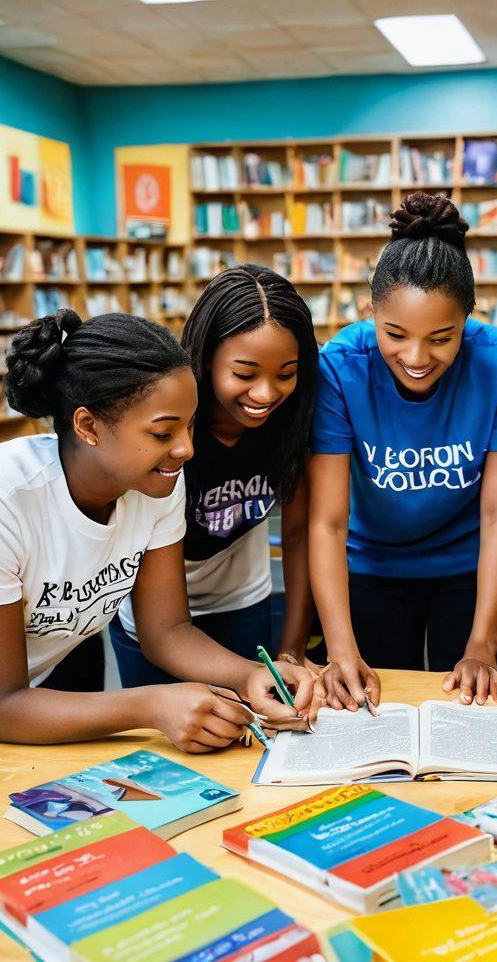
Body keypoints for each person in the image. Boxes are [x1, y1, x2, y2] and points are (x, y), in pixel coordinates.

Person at [0, 310, 321, 781]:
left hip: (52, 680)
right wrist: (152, 704)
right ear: (88, 425)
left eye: (189, 426)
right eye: (162, 432)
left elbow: (166, 630)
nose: (186, 450)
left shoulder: (157, 482)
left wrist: (247, 676)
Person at [308, 192, 497, 711]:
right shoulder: (341, 366)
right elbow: (328, 523)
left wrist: (483, 644)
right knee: (375, 709)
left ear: (469, 321)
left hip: (472, 569)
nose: (415, 357)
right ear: (372, 311)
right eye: (395, 334)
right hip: (372, 568)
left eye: (441, 338)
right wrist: (340, 648)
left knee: (482, 711)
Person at [111, 265, 318, 682]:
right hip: (152, 617)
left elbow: (298, 534)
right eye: (244, 374)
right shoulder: (168, 427)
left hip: (242, 606)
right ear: (205, 359)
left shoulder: (294, 421)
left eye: (286, 374)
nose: (265, 394)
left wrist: (293, 646)